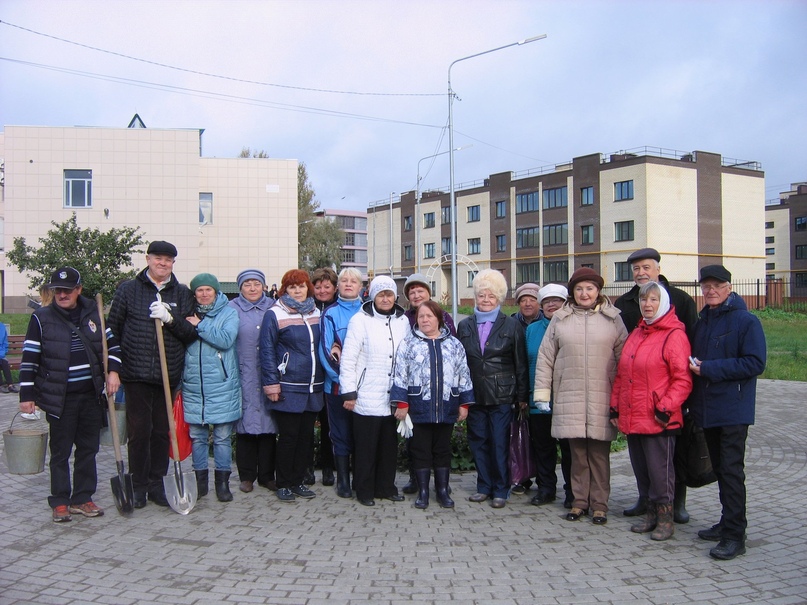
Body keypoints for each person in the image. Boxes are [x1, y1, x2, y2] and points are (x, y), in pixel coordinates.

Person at [19, 267, 122, 522]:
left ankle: (82, 498)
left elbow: (113, 346)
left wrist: (114, 373)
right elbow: (29, 359)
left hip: (90, 395)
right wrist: (26, 395)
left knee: (88, 450)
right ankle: (60, 501)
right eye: (57, 290)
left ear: (78, 290)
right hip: (59, 397)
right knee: (61, 452)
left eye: (67, 290)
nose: (62, 294)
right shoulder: (41, 318)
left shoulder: (95, 313)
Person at [534, 267, 628, 525]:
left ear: (598, 291)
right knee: (576, 456)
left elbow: (624, 360)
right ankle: (579, 502)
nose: (584, 293)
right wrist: (542, 394)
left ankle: (599, 504)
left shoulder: (613, 319)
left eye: (589, 288)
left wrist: (622, 399)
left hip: (602, 397)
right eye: (579, 289)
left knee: (599, 455)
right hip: (569, 396)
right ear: (572, 293)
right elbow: (545, 358)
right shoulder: (560, 319)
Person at [108, 240, 196, 509]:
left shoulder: (182, 294)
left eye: (168, 259)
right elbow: (113, 330)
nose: (163, 263)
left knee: (161, 431)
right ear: (147, 259)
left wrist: (171, 319)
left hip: (168, 374)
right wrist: (114, 369)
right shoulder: (129, 290)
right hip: (136, 373)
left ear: (173, 263)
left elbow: (190, 334)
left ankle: (157, 483)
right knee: (139, 431)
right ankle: (138, 485)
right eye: (158, 258)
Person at [614, 247, 698, 522]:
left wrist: (671, 402)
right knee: (644, 462)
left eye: (646, 267)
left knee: (671, 458)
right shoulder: (626, 303)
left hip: (665, 400)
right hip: (636, 401)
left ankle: (675, 505)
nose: (641, 273)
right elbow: (624, 361)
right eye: (636, 269)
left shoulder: (681, 302)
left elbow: (684, 359)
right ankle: (647, 504)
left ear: (658, 269)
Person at [689, 265, 766, 560]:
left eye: (717, 285)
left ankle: (735, 535)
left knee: (732, 472)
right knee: (720, 470)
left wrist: (708, 369)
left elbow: (755, 363)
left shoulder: (746, 321)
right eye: (706, 286)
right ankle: (726, 522)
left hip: (733, 409)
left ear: (729, 288)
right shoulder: (702, 321)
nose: (711, 290)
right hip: (708, 410)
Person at [457, 269, 529, 509]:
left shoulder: (511, 325)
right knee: (478, 441)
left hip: (502, 395)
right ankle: (483, 486)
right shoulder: (464, 325)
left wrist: (521, 397)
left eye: (491, 295)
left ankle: (501, 488)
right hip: (474, 393)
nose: (486, 300)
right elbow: (460, 363)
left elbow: (520, 363)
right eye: (481, 295)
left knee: (499, 442)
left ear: (499, 298)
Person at [391, 300, 474, 509]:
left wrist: (464, 403)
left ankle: (443, 491)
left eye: (429, 316)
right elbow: (400, 374)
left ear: (439, 318)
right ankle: (423, 492)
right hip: (419, 405)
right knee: (421, 451)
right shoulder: (408, 343)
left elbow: (463, 373)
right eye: (421, 316)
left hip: (447, 405)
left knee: (442, 450)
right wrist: (402, 402)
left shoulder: (454, 344)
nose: (425, 320)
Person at [339, 275, 409, 506]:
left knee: (388, 447)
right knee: (366, 447)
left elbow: (408, 357)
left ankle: (386, 487)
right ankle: (365, 489)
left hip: (393, 394)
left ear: (395, 296)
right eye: (381, 294)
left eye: (389, 294)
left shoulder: (403, 321)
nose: (385, 299)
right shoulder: (360, 320)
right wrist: (349, 391)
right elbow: (348, 358)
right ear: (372, 296)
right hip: (366, 394)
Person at [259, 269, 324, 503]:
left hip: (312, 385)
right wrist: (271, 384)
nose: (297, 290)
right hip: (287, 384)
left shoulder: (316, 311)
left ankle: (298, 481)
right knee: (288, 437)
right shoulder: (275, 314)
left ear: (308, 288)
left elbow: (323, 344)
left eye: (302, 286)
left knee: (306, 438)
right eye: (292, 286)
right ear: (285, 289)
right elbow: (266, 351)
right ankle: (284, 483)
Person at [181, 273, 241, 502]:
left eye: (209, 290)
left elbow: (226, 340)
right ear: (194, 293)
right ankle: (200, 483)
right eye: (200, 290)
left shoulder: (228, 313)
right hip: (194, 385)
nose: (204, 294)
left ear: (216, 292)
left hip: (222, 384)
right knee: (197, 436)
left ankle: (223, 484)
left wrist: (201, 325)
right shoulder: (187, 312)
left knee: (222, 437)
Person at [400, 272, 456, 494]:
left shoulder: (444, 317)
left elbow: (453, 349)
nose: (415, 294)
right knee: (415, 441)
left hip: (441, 391)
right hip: (417, 391)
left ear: (428, 292)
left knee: (441, 444)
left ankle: (443, 484)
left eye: (419, 290)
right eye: (411, 291)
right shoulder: (404, 318)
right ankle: (417, 480)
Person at [524, 283, 573, 507]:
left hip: (566, 399)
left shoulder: (574, 326)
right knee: (543, 447)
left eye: (557, 300)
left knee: (569, 449)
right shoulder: (531, 330)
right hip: (539, 398)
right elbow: (524, 364)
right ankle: (546, 488)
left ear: (565, 303)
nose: (551, 304)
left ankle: (573, 491)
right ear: (541, 305)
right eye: (546, 301)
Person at [229, 269, 278, 493]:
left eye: (256, 284)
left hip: (268, 373)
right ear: (240, 288)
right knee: (245, 426)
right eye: (247, 284)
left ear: (264, 286)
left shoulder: (274, 307)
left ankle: (267, 476)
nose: (252, 288)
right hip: (244, 373)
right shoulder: (232, 309)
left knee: (269, 426)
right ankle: (247, 476)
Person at [319, 267, 364, 498]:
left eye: (353, 281)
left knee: (361, 434)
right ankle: (343, 481)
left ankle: (360, 478)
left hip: (365, 388)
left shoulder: (369, 312)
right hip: (337, 388)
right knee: (340, 433)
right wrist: (346, 382)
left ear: (360, 287)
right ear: (338, 287)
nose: (348, 284)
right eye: (344, 280)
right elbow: (327, 353)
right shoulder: (330, 313)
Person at [308, 267, 338, 486]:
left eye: (327, 286)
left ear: (334, 287)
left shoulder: (338, 309)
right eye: (318, 286)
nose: (322, 290)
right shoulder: (307, 308)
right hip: (309, 375)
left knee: (328, 425)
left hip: (329, 376)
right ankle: (307, 468)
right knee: (308, 425)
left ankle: (328, 467)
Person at [0, 322, 19, 394]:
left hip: (1, 353)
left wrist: (3, 352)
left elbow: (5, 342)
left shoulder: (1, 327)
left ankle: (10, 385)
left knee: (4, 363)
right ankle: (1, 385)